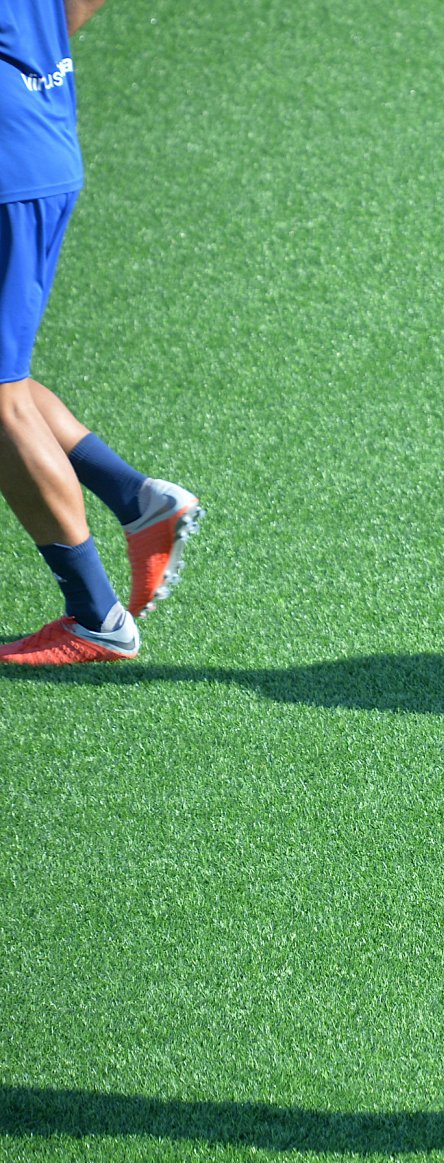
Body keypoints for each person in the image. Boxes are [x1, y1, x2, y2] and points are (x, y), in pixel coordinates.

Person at [0, 0, 201, 667]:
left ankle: (94, 616)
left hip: (7, 170)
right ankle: (136, 499)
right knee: (6, 377)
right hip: (40, 145)